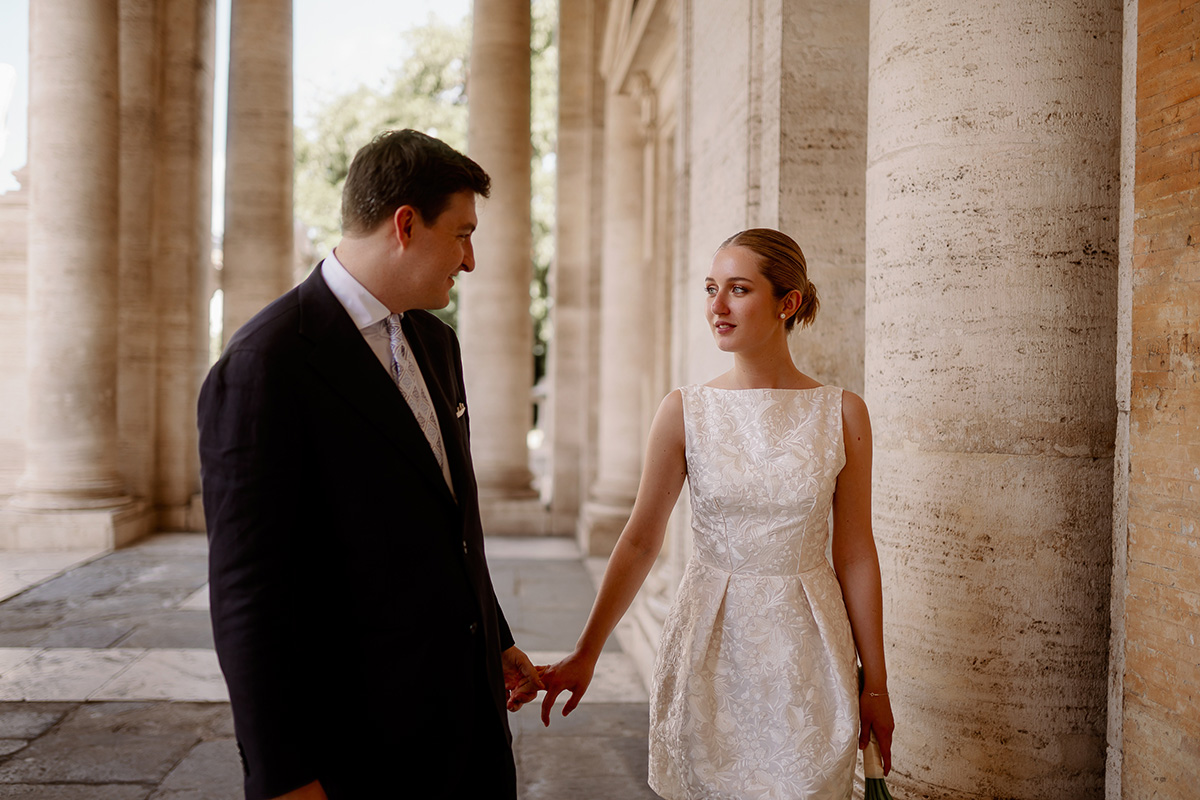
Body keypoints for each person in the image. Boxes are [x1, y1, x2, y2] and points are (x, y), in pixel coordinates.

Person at [198, 129, 542, 800]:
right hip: (357, 746)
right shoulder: (265, 365)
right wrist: (282, 775)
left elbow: (448, 520)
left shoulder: (436, 342)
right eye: (462, 234)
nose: (470, 260)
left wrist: (492, 637)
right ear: (406, 225)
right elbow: (247, 592)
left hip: (469, 728)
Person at [538, 228, 895, 799]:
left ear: (788, 303)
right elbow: (639, 541)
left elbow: (854, 552)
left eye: (738, 289)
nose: (717, 307)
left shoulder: (842, 413)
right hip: (710, 645)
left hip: (809, 654)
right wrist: (588, 651)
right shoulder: (684, 411)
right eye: (710, 288)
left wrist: (874, 683)